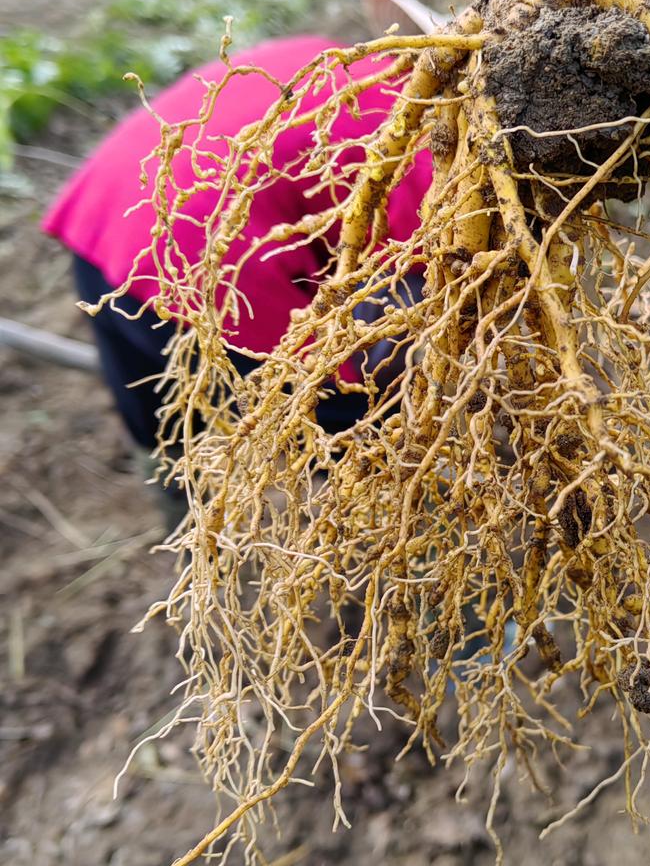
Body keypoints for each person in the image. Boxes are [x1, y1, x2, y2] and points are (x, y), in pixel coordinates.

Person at [40, 34, 433, 520]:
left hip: (106, 210)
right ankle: (400, 516)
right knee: (351, 415)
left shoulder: (363, 58)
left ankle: (176, 506)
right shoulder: (430, 156)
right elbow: (411, 288)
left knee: (157, 409)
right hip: (201, 270)